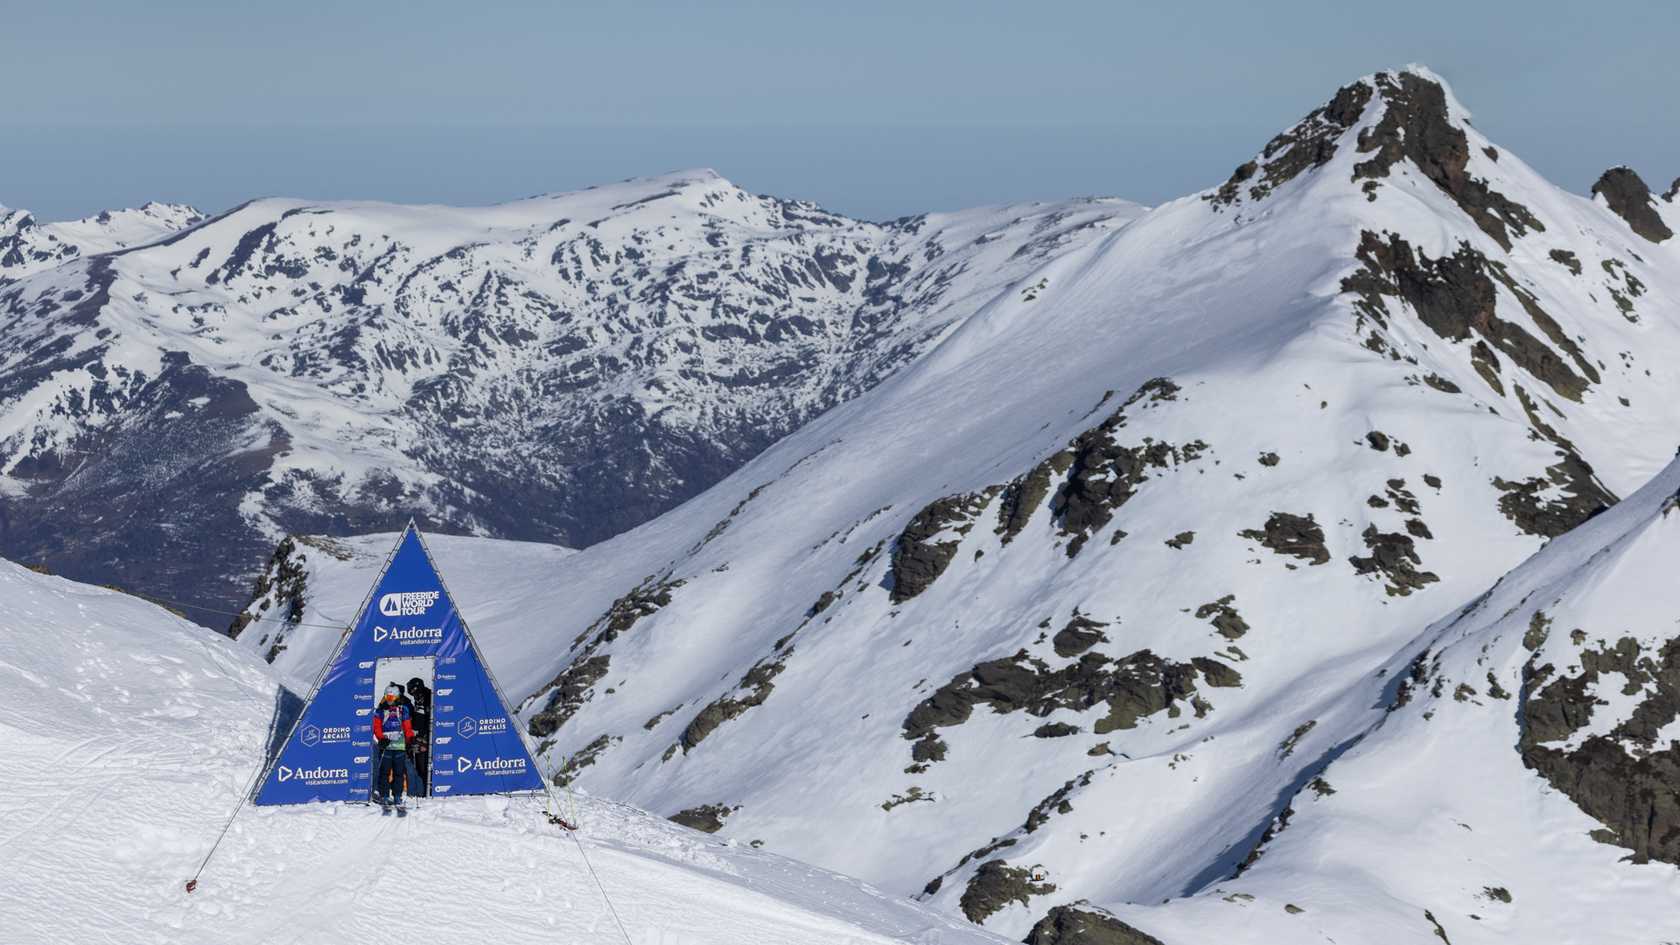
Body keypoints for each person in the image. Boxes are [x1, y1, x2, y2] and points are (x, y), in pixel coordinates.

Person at [371, 684, 414, 811]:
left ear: (396, 696)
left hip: (400, 746)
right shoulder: (380, 711)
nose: (389, 699)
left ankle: (397, 796)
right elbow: (377, 727)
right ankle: (384, 796)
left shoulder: (403, 710)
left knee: (399, 773)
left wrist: (410, 739)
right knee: (384, 772)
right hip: (386, 747)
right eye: (386, 696)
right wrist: (381, 738)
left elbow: (407, 727)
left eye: (391, 696)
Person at [405, 677, 433, 795]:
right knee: (419, 766)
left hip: (428, 737)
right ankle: (423, 790)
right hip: (419, 736)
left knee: (425, 765)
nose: (413, 694)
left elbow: (429, 718)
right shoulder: (418, 699)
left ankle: (429, 789)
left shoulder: (429, 696)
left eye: (413, 691)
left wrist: (423, 735)